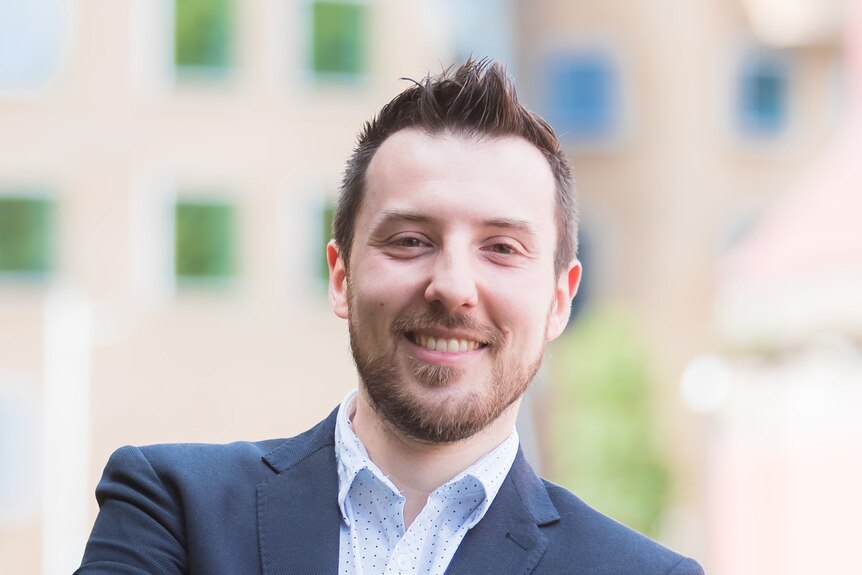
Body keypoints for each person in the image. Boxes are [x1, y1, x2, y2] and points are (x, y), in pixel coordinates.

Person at [76, 59, 704, 575]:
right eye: (409, 240)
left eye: (502, 248)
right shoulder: (172, 510)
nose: (453, 287)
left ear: (559, 300)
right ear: (342, 275)